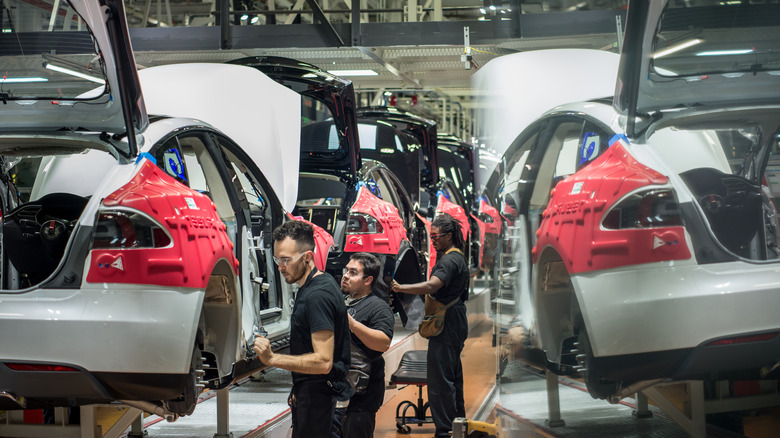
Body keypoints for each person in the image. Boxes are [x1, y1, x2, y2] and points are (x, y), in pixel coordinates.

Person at [253, 220, 352, 438]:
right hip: (313, 394)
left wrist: (272, 359)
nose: (280, 267)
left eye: (286, 260)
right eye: (278, 259)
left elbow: (323, 361)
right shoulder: (317, 284)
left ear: (307, 257)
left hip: (321, 400)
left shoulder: (317, 296)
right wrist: (298, 388)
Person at [392, 213, 469, 438]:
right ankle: (457, 425)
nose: (433, 239)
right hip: (454, 320)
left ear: (450, 235)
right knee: (452, 376)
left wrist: (401, 288)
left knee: (439, 381)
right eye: (431, 235)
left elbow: (432, 285)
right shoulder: (456, 256)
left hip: (447, 324)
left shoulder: (449, 260)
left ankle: (445, 431)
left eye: (437, 236)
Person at [336, 252, 394, 438]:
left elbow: (383, 342)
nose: (345, 275)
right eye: (346, 270)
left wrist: (352, 324)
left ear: (368, 279)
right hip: (338, 389)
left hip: (362, 396)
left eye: (353, 272)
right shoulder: (340, 301)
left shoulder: (378, 307)